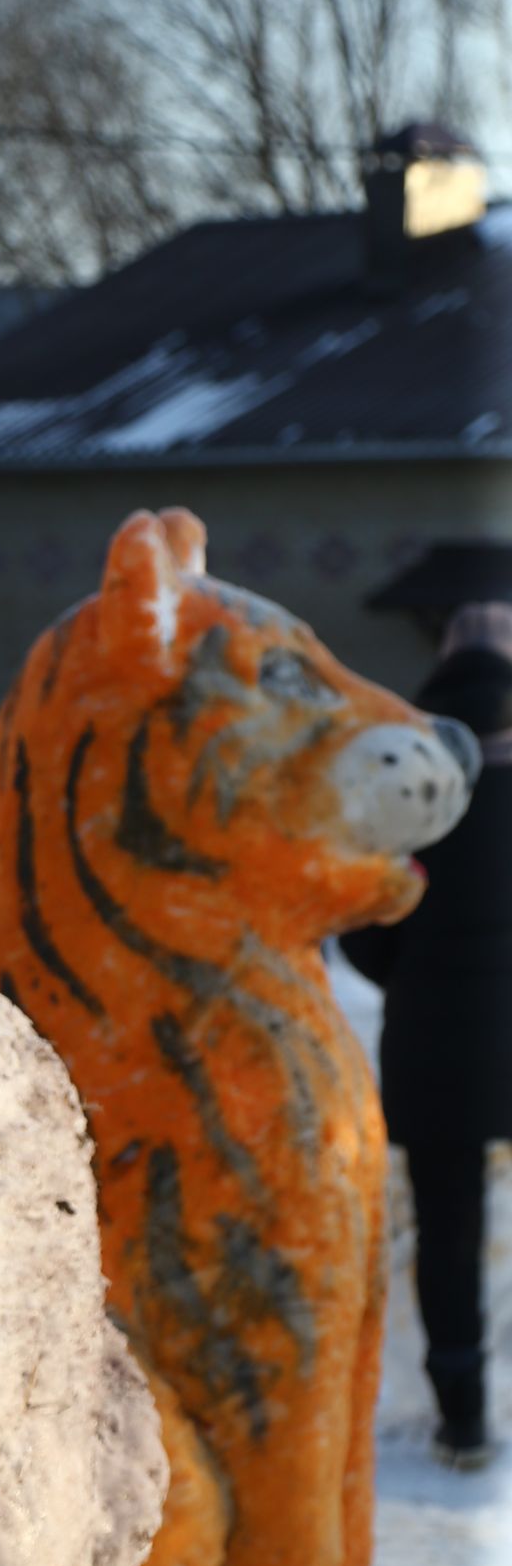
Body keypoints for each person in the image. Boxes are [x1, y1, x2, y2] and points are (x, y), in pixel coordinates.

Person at [342, 603, 512, 1467]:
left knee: (448, 1233)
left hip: (436, 1051)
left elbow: (362, 925)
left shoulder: (413, 797)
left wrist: (414, 981)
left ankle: (466, 1417)